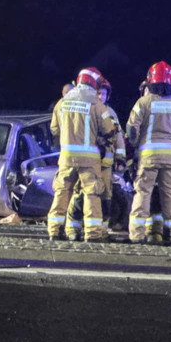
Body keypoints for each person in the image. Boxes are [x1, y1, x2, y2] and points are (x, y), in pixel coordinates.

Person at [126, 61, 171, 244]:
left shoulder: (144, 102)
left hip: (148, 156)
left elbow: (131, 128)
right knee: (170, 196)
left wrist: (136, 142)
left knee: (142, 193)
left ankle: (137, 236)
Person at [48, 67, 118, 242]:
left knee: (62, 192)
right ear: (94, 83)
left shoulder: (62, 103)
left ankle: (54, 231)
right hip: (89, 159)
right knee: (91, 193)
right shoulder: (97, 104)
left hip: (66, 156)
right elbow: (109, 132)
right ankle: (93, 234)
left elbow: (54, 130)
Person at [65, 77, 125, 239]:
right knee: (80, 194)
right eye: (98, 93)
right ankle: (73, 228)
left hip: (105, 164)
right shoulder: (90, 109)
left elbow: (118, 137)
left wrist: (120, 158)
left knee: (104, 197)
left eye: (103, 94)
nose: (100, 97)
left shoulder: (110, 113)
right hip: (89, 162)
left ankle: (101, 230)